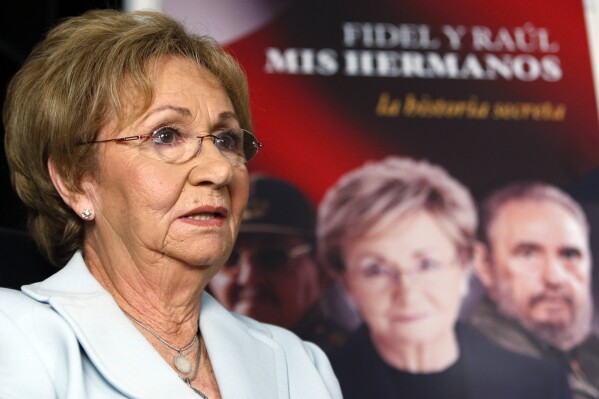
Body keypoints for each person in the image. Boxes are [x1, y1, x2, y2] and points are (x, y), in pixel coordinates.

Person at [0, 9, 341, 398]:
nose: (219, 170)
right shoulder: (14, 336)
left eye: (226, 139)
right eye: (166, 135)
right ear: (76, 181)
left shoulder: (299, 362)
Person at [318, 156, 571, 399]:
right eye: (376, 270)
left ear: (464, 266)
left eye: (427, 264)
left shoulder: (540, 385)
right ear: (346, 283)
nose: (408, 293)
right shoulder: (313, 386)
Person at [469, 182, 599, 399]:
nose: (554, 278)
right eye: (528, 254)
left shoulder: (587, 352)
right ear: (484, 264)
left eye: (569, 255)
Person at [209, 174, 359, 352]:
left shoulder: (355, 370)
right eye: (229, 258)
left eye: (273, 258)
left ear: (322, 270)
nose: (248, 278)